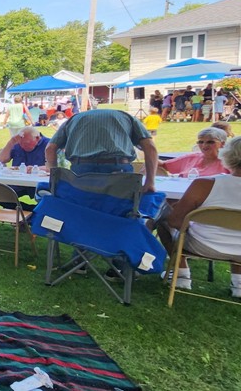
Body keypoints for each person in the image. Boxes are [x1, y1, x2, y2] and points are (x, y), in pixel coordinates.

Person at [158, 137, 241, 296]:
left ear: (228, 154)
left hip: (205, 245)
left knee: (164, 221)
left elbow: (174, 220)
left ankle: (181, 274)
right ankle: (239, 284)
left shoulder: (205, 184)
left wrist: (191, 223)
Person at [45, 109, 158, 193]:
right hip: (118, 169)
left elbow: (50, 148)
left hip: (81, 170)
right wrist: (150, 181)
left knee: (83, 208)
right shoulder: (127, 118)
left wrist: (54, 178)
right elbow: (150, 147)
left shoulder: (73, 120)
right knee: (119, 208)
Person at [160, 128, 230, 177]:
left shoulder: (229, 162)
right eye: (201, 142)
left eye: (210, 142)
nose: (204, 145)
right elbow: (164, 165)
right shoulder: (191, 158)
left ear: (222, 143)